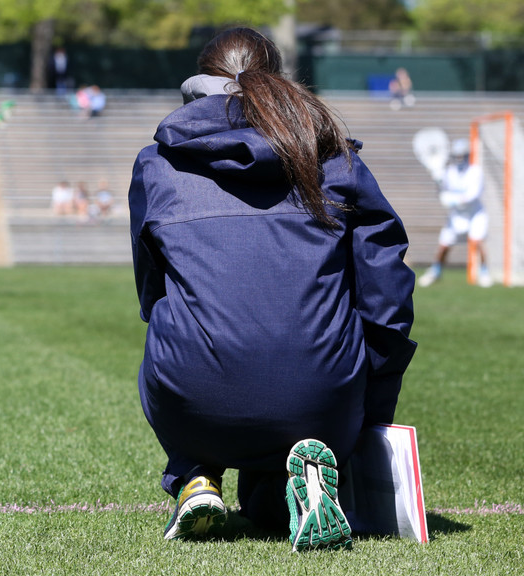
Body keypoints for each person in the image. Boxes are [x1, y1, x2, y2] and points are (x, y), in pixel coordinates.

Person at [129, 27, 416, 551]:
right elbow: (388, 296)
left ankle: (196, 475)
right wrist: (371, 405)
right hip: (325, 396)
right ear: (278, 81)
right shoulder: (335, 160)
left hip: (194, 396)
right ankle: (304, 475)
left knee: (168, 329)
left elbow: (151, 289)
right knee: (270, 502)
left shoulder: (158, 163)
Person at [418, 138, 492, 287]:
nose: (459, 159)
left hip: (474, 214)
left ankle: (484, 272)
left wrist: (453, 200)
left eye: (462, 155)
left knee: (477, 242)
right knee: (444, 244)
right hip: (457, 215)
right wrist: (438, 181)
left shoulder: (475, 171)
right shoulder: (449, 172)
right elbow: (443, 189)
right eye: (457, 156)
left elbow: (473, 195)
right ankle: (436, 271)